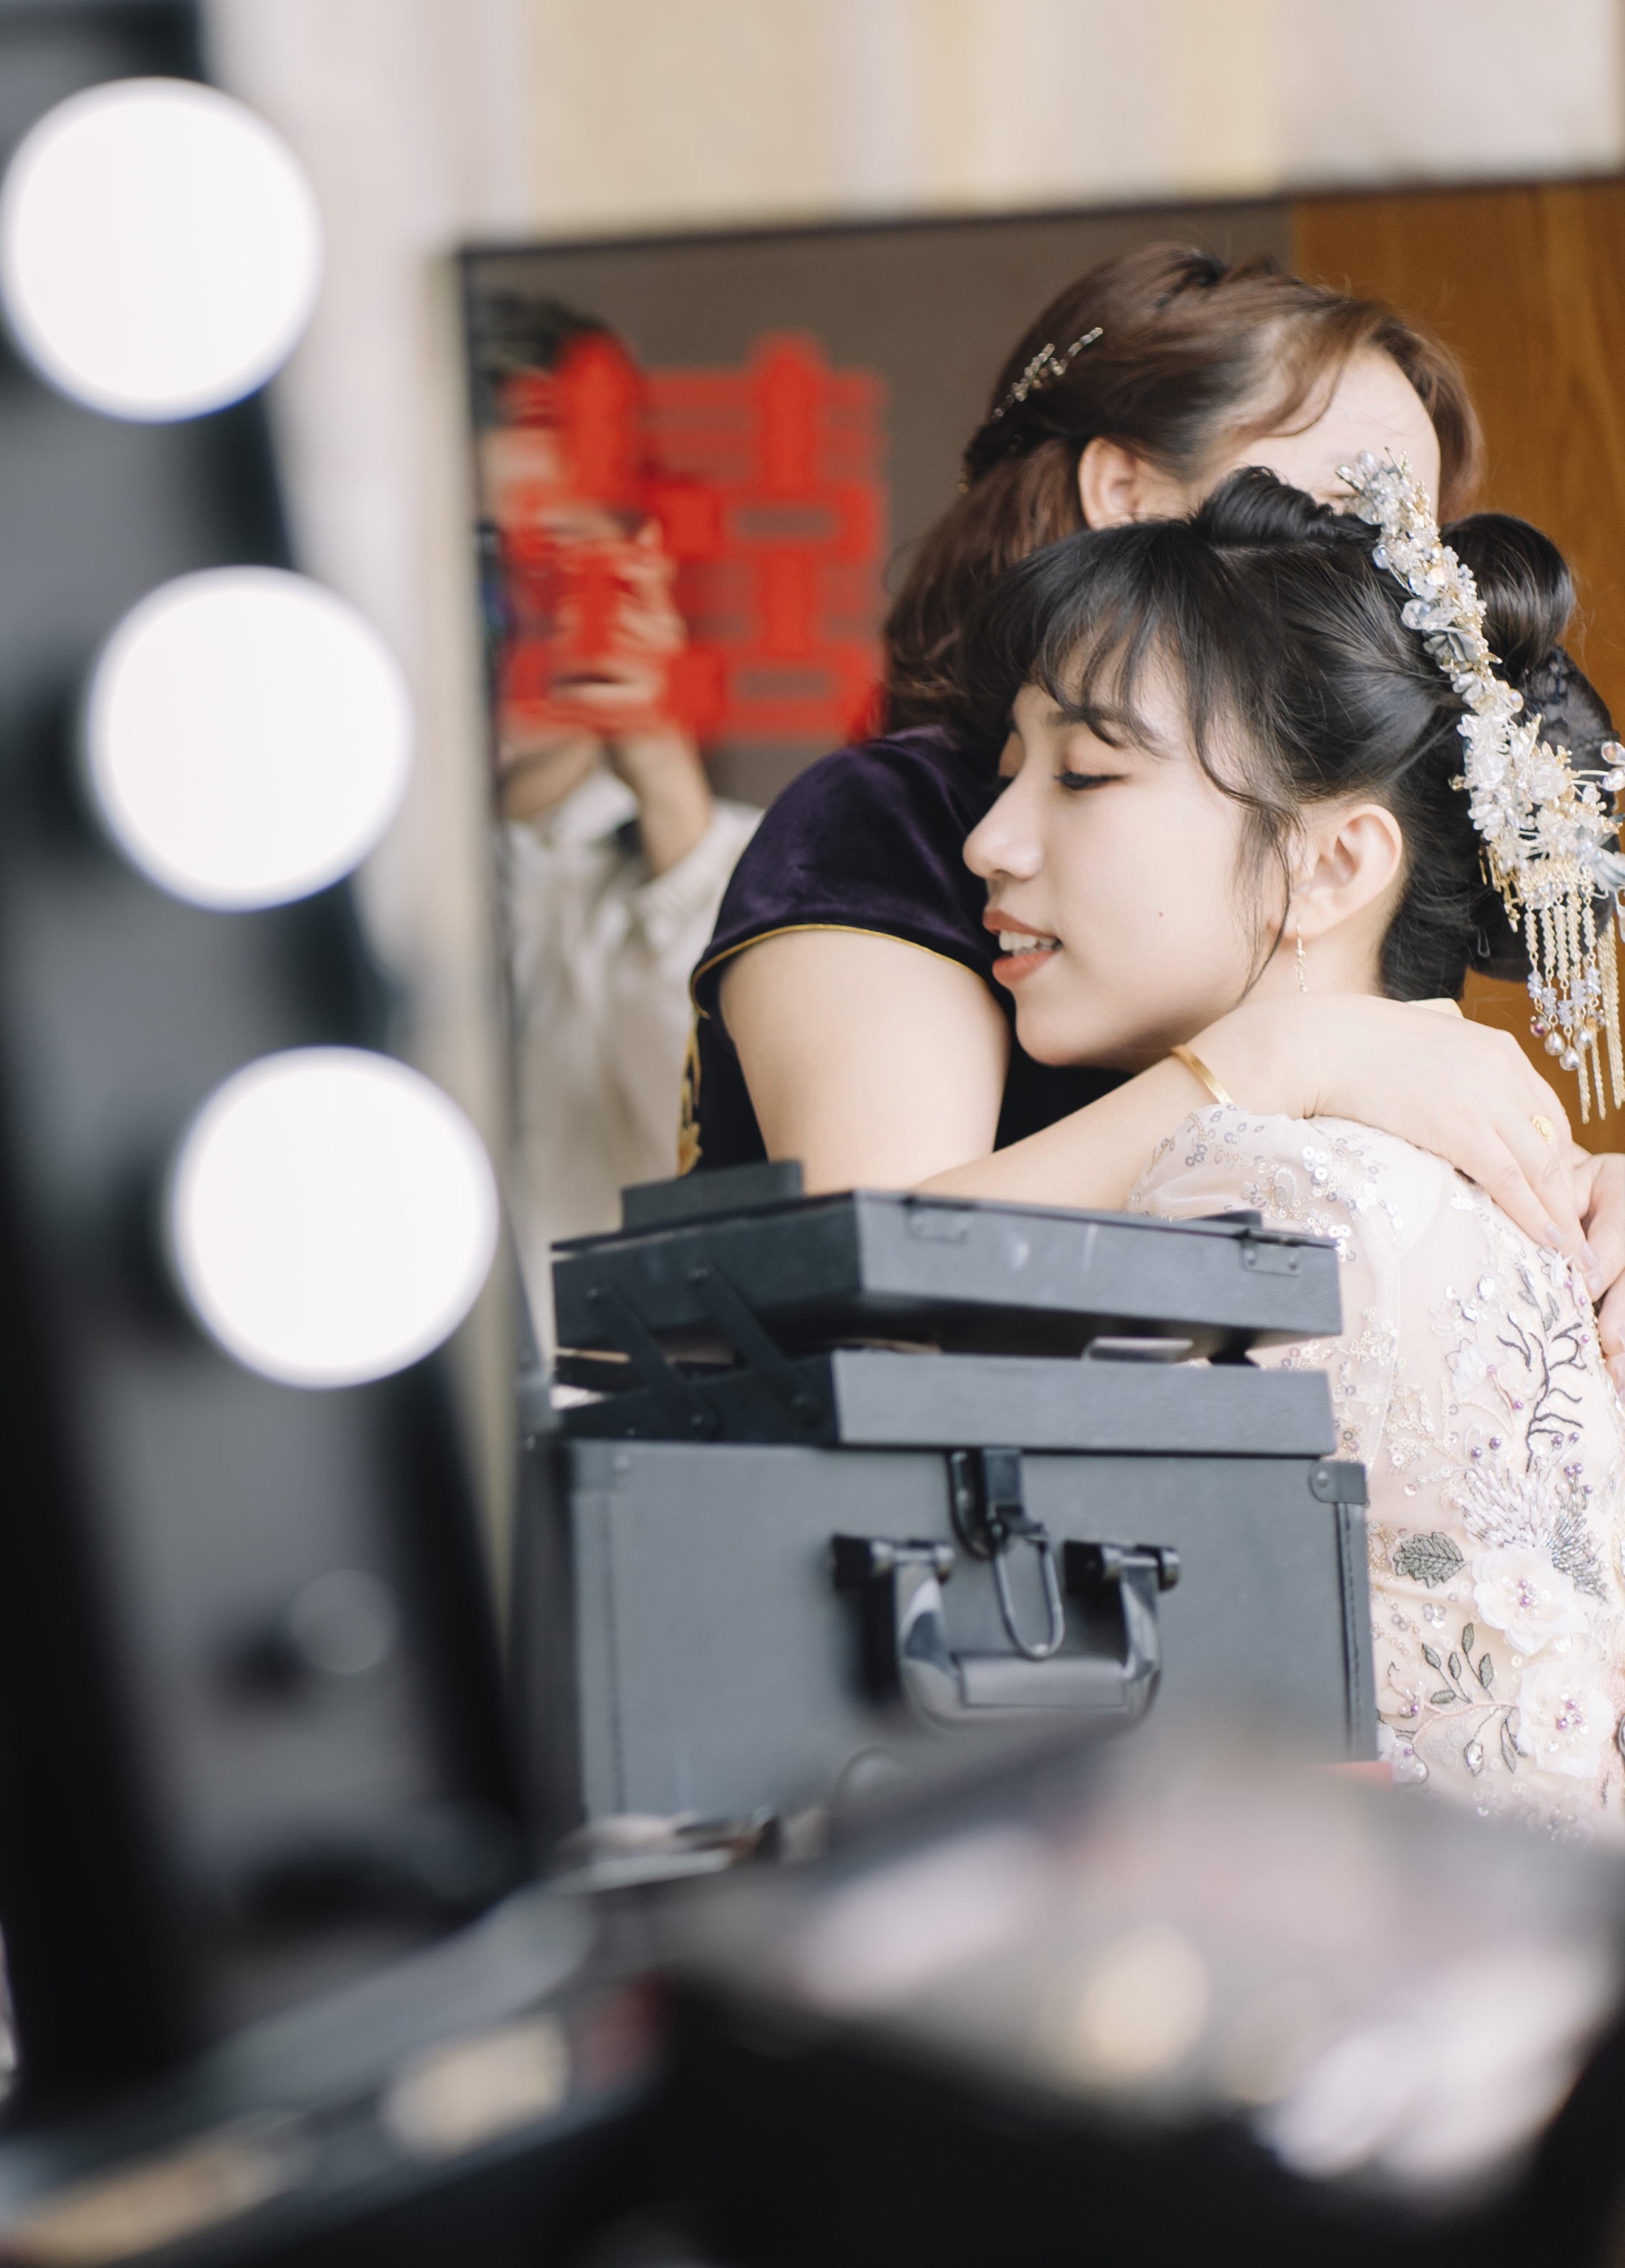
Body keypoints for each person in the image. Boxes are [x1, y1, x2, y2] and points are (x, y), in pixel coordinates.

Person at [680, 245, 1625, 1359]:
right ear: (1125, 493)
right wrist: (1278, 1060)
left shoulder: (1296, 829)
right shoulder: (902, 820)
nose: (1380, 572)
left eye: (1412, 536)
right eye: (1345, 503)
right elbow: (875, 1283)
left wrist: (1560, 1203)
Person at [952, 462, 1625, 1831]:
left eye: (1085, 772)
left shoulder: (1267, 1186)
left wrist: (1248, 1070)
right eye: (1010, 771)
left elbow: (862, 1321)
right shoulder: (1492, 1196)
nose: (989, 842)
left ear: (1332, 866)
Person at [472, 292, 759, 1267]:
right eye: (475, 556)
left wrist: (669, 792)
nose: (504, 607)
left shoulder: (739, 871)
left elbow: (734, 1184)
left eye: (548, 556)